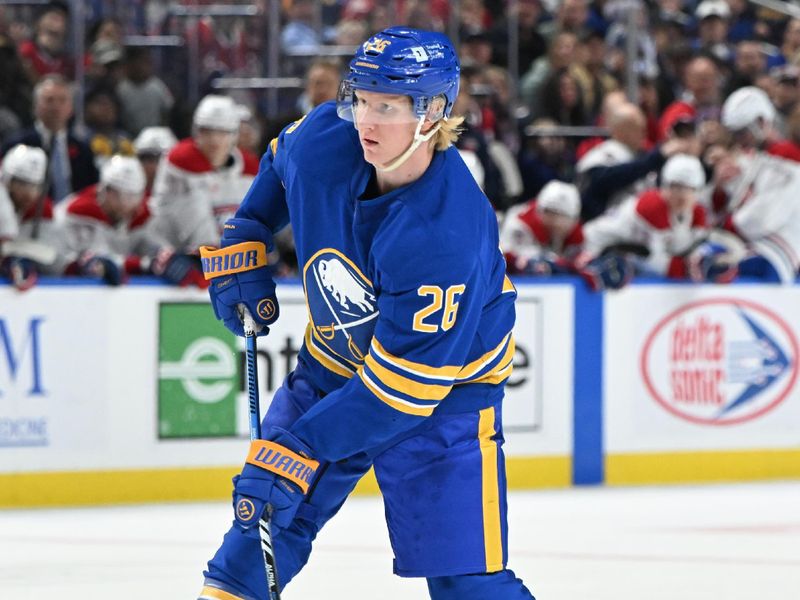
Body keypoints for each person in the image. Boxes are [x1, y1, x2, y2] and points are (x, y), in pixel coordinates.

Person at [197, 27, 535, 600]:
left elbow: (401, 393)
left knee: (464, 580)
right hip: (334, 363)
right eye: (360, 99)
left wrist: (298, 448)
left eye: (386, 106)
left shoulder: (444, 233)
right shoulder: (330, 135)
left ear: (431, 112)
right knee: (260, 531)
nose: (365, 122)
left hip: (445, 396)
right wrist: (248, 231)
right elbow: (281, 163)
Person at [56, 155, 205, 287]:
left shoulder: (142, 213)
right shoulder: (77, 213)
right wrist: (144, 265)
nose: (127, 204)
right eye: (120, 196)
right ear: (105, 191)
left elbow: (154, 246)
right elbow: (96, 260)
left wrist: (169, 258)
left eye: (134, 196)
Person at [147, 94, 259, 254]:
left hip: (234, 259)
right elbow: (195, 226)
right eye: (207, 132)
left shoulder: (249, 169)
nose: (214, 140)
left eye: (222, 133)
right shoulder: (180, 163)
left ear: (234, 135)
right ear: (196, 132)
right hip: (179, 254)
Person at [0, 144, 63, 289]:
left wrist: (26, 258)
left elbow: (54, 259)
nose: (29, 193)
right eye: (22, 184)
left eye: (35, 186)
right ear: (7, 181)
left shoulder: (43, 209)